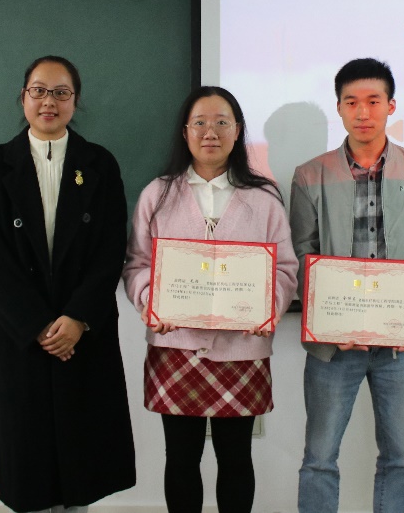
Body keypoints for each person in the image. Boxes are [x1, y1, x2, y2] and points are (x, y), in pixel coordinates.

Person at [0, 55, 136, 513]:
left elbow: (110, 250)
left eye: (61, 93)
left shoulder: (99, 163)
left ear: (75, 101)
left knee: (82, 459)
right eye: (39, 91)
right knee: (28, 460)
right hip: (21, 334)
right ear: (22, 97)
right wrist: (39, 325)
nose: (49, 101)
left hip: (82, 333)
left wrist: (77, 318)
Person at [124, 86, 298, 513]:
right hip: (175, 345)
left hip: (243, 349)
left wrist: (268, 307)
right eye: (200, 123)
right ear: (185, 132)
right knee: (181, 457)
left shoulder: (264, 199)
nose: (210, 132)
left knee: (236, 457)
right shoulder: (157, 194)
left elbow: (285, 269)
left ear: (237, 131)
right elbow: (137, 264)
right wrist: (151, 302)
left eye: (222, 122)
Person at [290, 57, 404, 513]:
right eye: (351, 102)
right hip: (333, 346)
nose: (363, 112)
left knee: (400, 456)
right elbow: (303, 252)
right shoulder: (310, 174)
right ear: (338, 107)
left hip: (398, 344)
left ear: (391, 106)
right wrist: (328, 320)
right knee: (319, 457)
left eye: (373, 101)